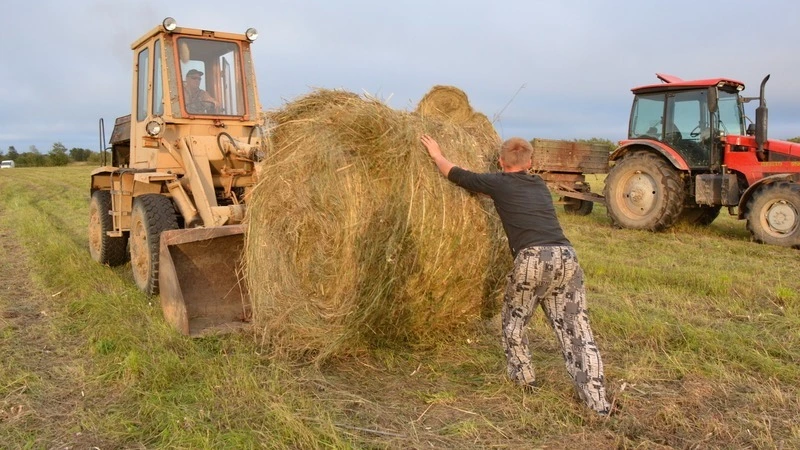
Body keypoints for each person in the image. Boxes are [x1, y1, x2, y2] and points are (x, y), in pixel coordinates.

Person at [420, 134, 613, 415]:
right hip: (566, 256)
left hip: (532, 259)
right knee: (577, 331)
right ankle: (597, 401)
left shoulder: (498, 182)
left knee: (515, 322)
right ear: (530, 162)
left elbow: (457, 175)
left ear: (500, 162)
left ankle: (524, 379)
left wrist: (437, 155)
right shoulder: (539, 185)